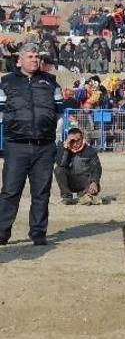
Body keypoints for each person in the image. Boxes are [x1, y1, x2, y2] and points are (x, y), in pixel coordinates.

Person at [0, 43, 63, 246]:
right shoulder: (6, 82)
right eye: (30, 56)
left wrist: (59, 137)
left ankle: (38, 233)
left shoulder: (51, 82)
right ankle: (2, 233)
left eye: (37, 56)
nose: (35, 59)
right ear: (19, 60)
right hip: (16, 145)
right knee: (10, 191)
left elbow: (60, 113)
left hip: (45, 146)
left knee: (41, 192)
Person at [54, 128, 103, 205]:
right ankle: (67, 197)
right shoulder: (63, 149)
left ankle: (84, 195)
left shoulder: (90, 150)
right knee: (58, 169)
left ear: (82, 138)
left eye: (78, 140)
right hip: (70, 181)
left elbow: (96, 168)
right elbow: (60, 164)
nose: (76, 143)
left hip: (85, 182)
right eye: (73, 141)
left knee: (89, 198)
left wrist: (94, 182)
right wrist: (66, 148)